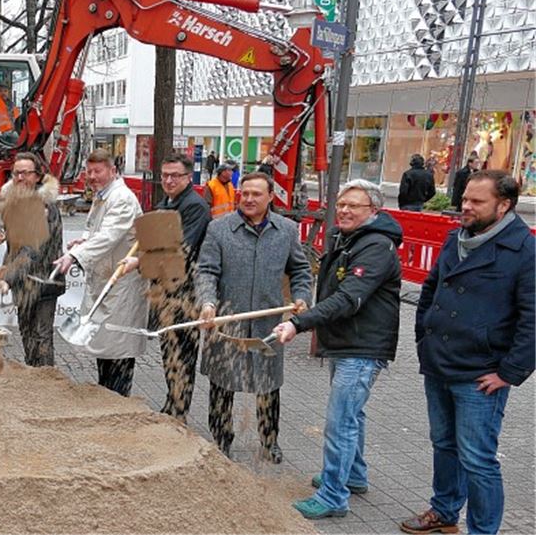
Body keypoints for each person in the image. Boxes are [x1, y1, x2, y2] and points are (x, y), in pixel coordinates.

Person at [401, 171, 534, 535]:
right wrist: (422, 338)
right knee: (443, 444)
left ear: (503, 205)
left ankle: (482, 530)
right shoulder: (455, 238)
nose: (466, 207)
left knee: (477, 459)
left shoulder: (524, 251)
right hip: (440, 362)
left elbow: (533, 319)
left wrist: (508, 373)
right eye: (464, 200)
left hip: (480, 375)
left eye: (476, 202)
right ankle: (444, 510)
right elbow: (430, 289)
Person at [270, 180, 403, 519]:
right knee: (351, 416)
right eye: (341, 204)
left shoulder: (376, 246)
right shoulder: (348, 237)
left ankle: (333, 496)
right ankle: (354, 475)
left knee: (340, 421)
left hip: (362, 346)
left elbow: (347, 298)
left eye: (353, 206)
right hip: (345, 342)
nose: (343, 210)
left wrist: (300, 324)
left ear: (373, 211)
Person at [195, 171, 312, 462]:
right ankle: (222, 440)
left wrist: (301, 297)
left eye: (256, 194)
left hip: (267, 325)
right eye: (244, 193)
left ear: (270, 197)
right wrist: (208, 302)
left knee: (268, 386)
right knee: (222, 385)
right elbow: (206, 270)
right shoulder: (219, 229)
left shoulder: (286, 230)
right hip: (226, 323)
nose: (248, 199)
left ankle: (269, 440)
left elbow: (300, 270)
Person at [53, 148, 147, 396]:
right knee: (105, 349)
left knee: (119, 351)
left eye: (98, 171)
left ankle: (118, 405)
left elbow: (109, 236)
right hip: (106, 282)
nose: (92, 176)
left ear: (112, 171)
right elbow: (93, 229)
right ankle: (107, 398)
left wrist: (75, 255)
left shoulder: (122, 199)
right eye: (89, 171)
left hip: (121, 285)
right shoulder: (101, 196)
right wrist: (82, 242)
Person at [123, 153, 210, 420]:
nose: (169, 180)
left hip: (185, 293)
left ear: (188, 177)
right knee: (169, 349)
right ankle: (171, 404)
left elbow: (181, 248)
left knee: (182, 353)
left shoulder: (195, 207)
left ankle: (179, 411)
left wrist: (140, 261)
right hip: (164, 291)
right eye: (165, 175)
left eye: (175, 176)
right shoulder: (165, 203)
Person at [0, 152, 65, 367]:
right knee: (26, 334)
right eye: (16, 173)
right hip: (23, 282)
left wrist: (8, 277)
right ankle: (32, 380)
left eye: (25, 173)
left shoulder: (44, 205)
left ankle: (47, 384)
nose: (20, 178)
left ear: (37, 176)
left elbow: (33, 248)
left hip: (45, 280)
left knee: (42, 336)